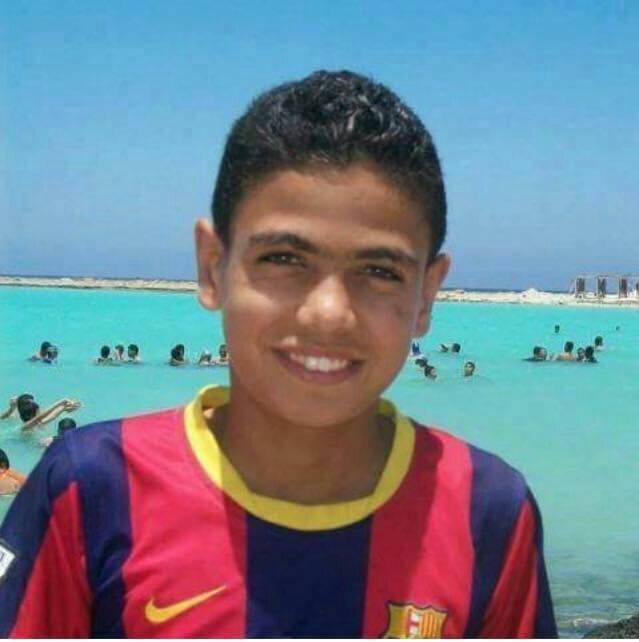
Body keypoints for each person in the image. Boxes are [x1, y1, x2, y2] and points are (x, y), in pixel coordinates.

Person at [0, 71, 556, 638]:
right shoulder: (92, 488)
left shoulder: (487, 510)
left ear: (427, 296)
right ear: (213, 267)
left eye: (379, 270)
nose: (328, 313)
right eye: (284, 259)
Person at [15, 395, 81, 432]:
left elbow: (53, 416)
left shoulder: (38, 424)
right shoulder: (24, 427)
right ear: (32, 415)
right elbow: (40, 417)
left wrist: (64, 407)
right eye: (38, 411)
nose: (40, 411)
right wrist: (60, 402)